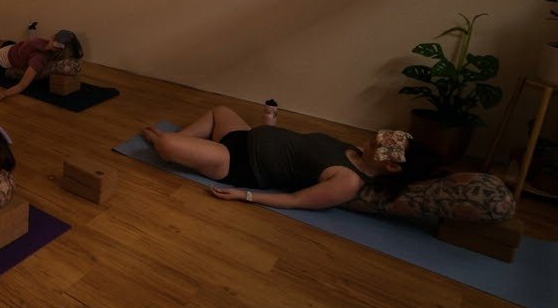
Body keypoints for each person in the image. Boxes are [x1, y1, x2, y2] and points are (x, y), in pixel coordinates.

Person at [141, 105, 439, 209]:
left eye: (377, 144)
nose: (372, 140)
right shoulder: (356, 151)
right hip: (244, 136)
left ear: (390, 164)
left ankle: (168, 144)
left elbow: (296, 200)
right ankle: (179, 144)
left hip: (236, 162)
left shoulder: (347, 181)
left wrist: (243, 196)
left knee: (166, 142)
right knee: (220, 111)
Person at [0, 29, 84, 101]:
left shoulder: (43, 43)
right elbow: (22, 85)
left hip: (12, 48)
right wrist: (4, 94)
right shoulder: (39, 58)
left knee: (8, 44)